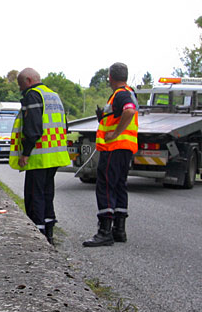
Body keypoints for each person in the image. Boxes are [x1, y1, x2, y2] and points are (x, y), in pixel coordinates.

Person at [9, 68, 71, 244]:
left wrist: (26, 153)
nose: (21, 89)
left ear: (28, 80)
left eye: (21, 85)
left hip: (39, 155)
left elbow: (33, 128)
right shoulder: (53, 95)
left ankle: (39, 237)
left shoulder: (33, 95)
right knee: (47, 193)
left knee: (34, 196)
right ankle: (49, 230)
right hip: (55, 154)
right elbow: (64, 124)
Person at [83, 62, 139, 247]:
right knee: (119, 186)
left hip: (114, 147)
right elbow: (121, 114)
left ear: (110, 77)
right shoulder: (128, 92)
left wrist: (115, 133)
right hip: (125, 148)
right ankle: (119, 230)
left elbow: (129, 111)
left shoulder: (121, 94)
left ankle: (104, 231)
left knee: (106, 186)